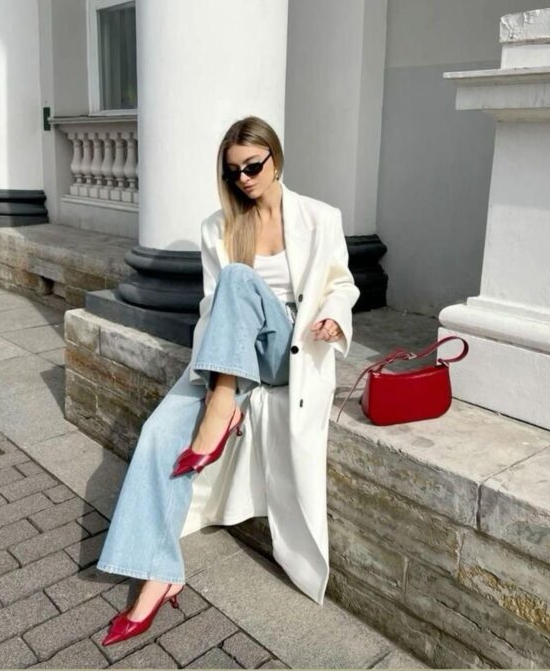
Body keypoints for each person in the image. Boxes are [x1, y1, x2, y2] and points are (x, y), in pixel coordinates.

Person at [96, 115, 356, 646]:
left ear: (276, 159)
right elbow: (212, 310)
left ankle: (220, 407)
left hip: (288, 351)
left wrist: (333, 316)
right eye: (233, 171)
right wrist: (221, 374)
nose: (244, 179)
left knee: (240, 277)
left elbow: (342, 283)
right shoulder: (218, 227)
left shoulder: (320, 217)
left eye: (252, 166)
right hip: (230, 358)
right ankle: (158, 574)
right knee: (158, 434)